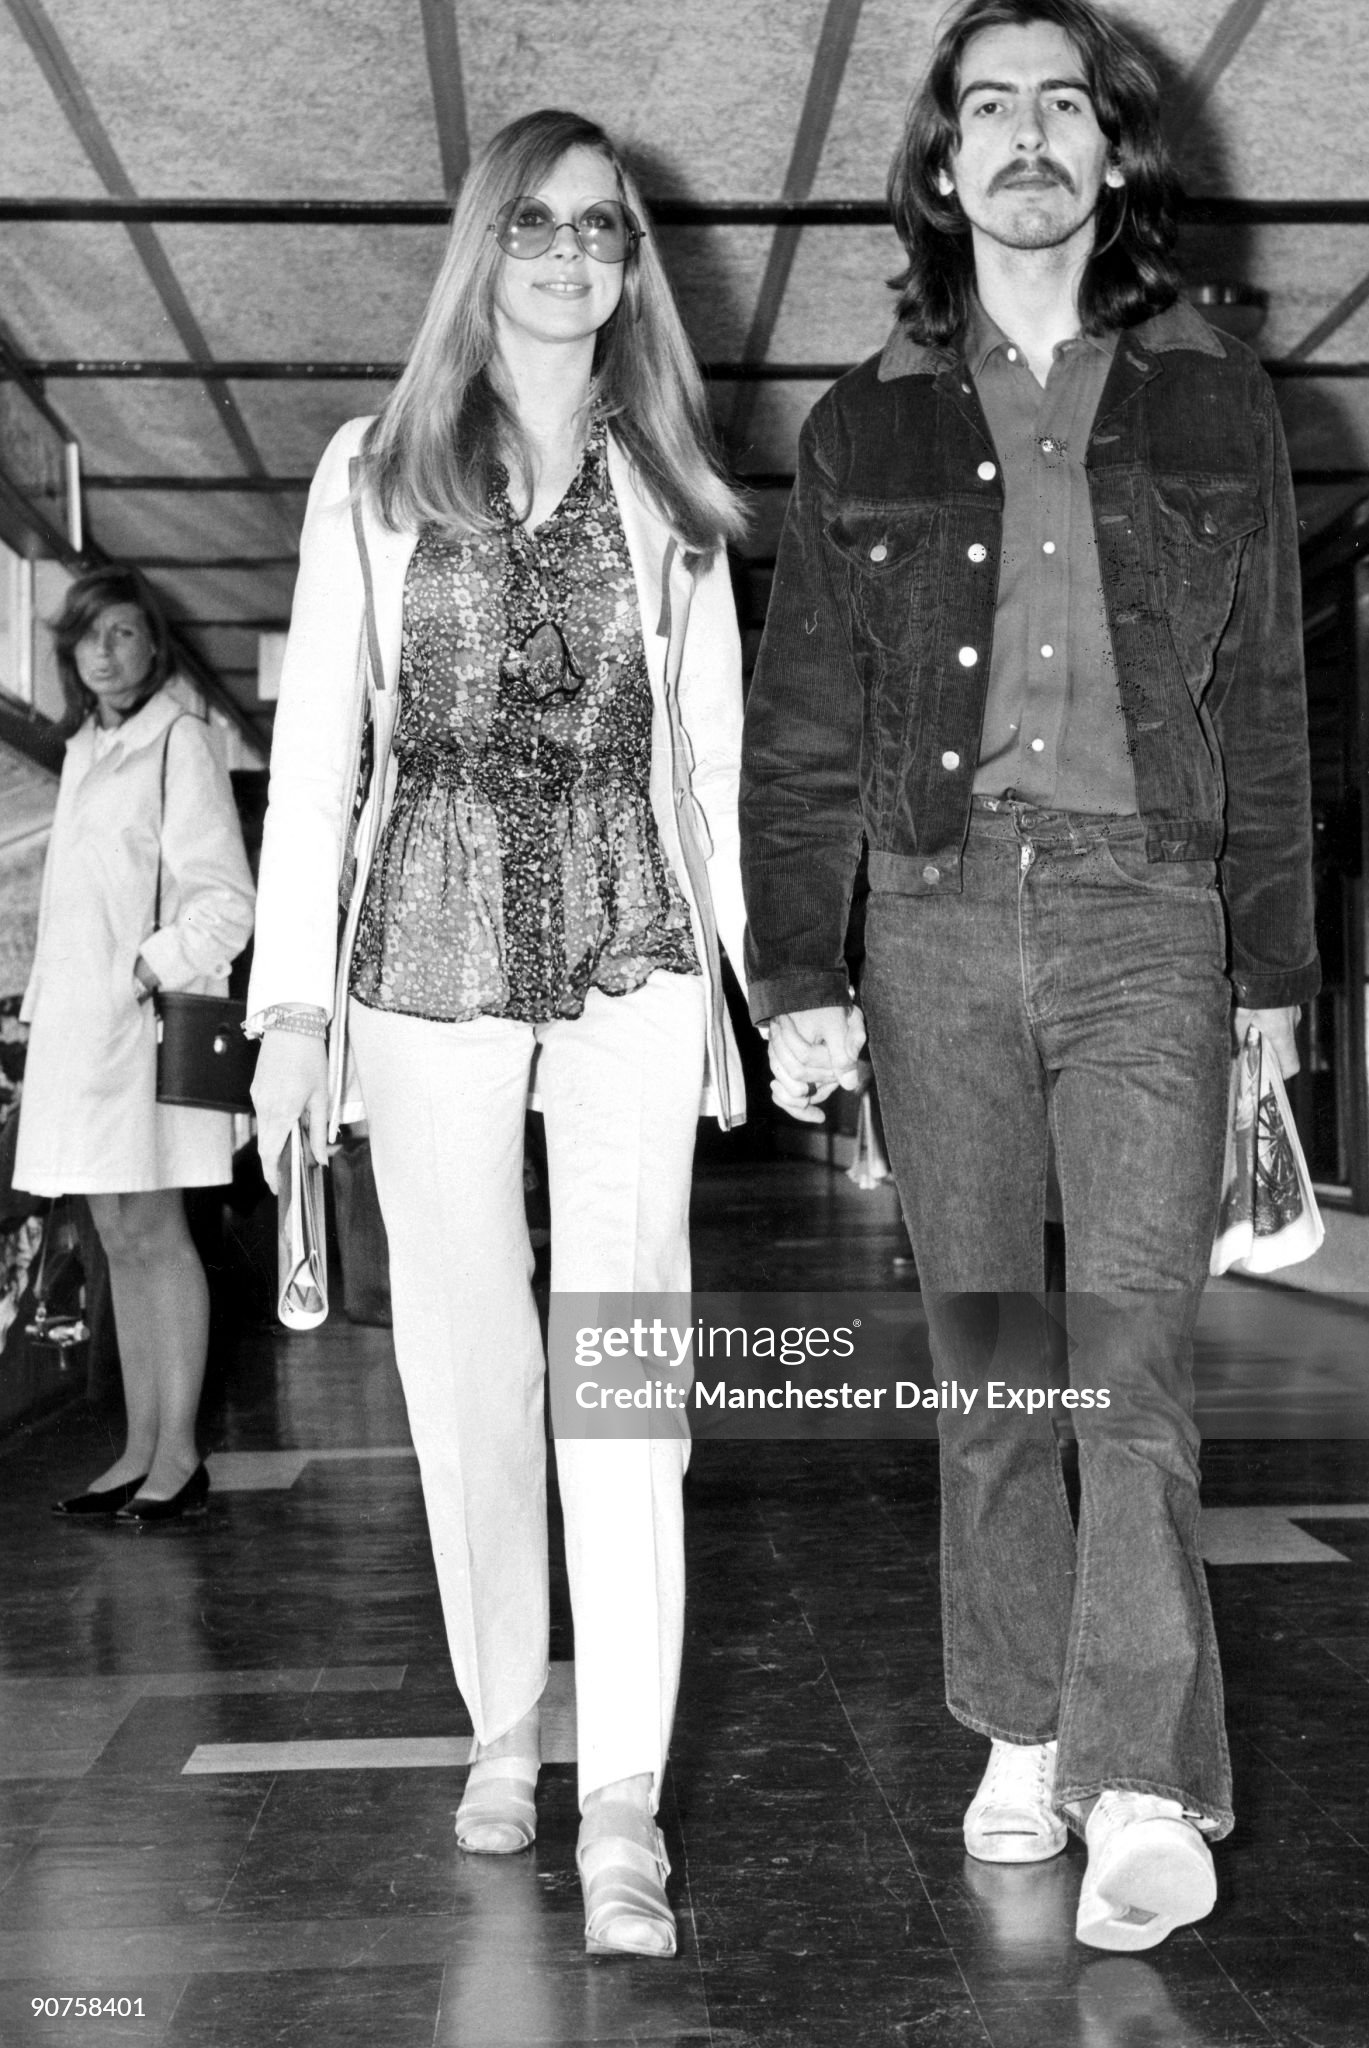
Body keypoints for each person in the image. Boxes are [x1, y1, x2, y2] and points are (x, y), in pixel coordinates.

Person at [740, 0, 1318, 1952]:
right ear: (942, 165)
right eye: (987, 107)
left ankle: (1142, 1776)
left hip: (1146, 912)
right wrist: (797, 961)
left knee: (1128, 1363)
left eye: (1063, 104)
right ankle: (1016, 1721)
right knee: (996, 1365)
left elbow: (1267, 702)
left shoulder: (1217, 402)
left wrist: (1276, 971)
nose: (1026, 135)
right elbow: (804, 711)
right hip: (927, 918)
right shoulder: (862, 425)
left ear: (1111, 156)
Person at [247, 108, 746, 1958]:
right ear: (483, 248)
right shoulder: (368, 472)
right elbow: (319, 765)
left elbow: (709, 763)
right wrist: (289, 1008)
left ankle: (622, 1788)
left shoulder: (676, 496)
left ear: (629, 266)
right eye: (528, 225)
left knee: (623, 1372)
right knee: (465, 1371)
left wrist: (738, 988)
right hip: (418, 951)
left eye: (595, 230)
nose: (561, 256)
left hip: (629, 949)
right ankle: (501, 1722)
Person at [17, 564, 255, 1524]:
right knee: (117, 1240)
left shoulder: (181, 744)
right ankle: (139, 1447)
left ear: (153, 647)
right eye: (90, 637)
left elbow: (225, 903)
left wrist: (140, 973)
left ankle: (180, 1455)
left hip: (144, 1030)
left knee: (156, 1236)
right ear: (70, 655)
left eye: (124, 634)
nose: (107, 653)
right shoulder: (83, 753)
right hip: (81, 1041)